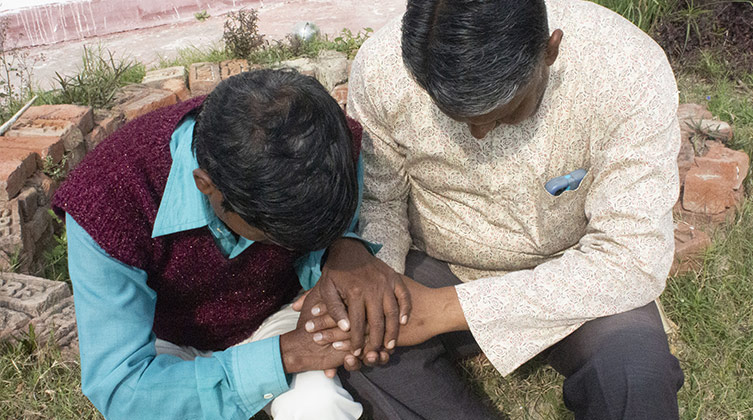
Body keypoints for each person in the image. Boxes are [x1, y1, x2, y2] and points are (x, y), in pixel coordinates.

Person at [301, 0, 686, 418]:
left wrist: (443, 310)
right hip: (438, 263)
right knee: (357, 342)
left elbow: (631, 259)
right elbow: (381, 201)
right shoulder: (383, 67)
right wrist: (376, 283)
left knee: (635, 374)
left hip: (576, 270)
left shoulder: (626, 70)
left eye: (504, 113)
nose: (480, 134)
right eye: (456, 117)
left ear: (549, 51)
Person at [53, 69, 407, 420]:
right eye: (278, 235)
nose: (288, 247)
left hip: (280, 315)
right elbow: (122, 389)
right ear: (207, 187)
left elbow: (332, 227)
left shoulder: (329, 145)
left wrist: (345, 248)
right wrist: (286, 355)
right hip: (163, 344)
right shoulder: (105, 201)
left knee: (320, 408)